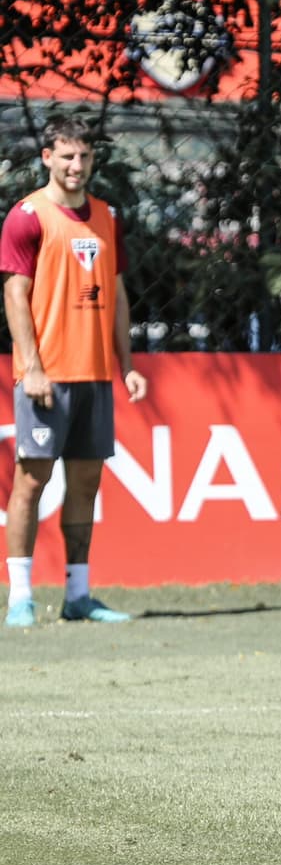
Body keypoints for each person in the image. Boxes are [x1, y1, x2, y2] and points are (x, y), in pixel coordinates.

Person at [1, 115, 147, 627]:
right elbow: (15, 294)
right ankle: (19, 597)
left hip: (94, 377)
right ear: (46, 157)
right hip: (46, 377)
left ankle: (78, 596)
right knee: (31, 480)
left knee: (85, 484)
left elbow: (119, 294)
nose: (76, 165)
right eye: (66, 156)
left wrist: (126, 366)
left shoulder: (107, 216)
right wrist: (33, 368)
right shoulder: (27, 216)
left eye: (84, 156)